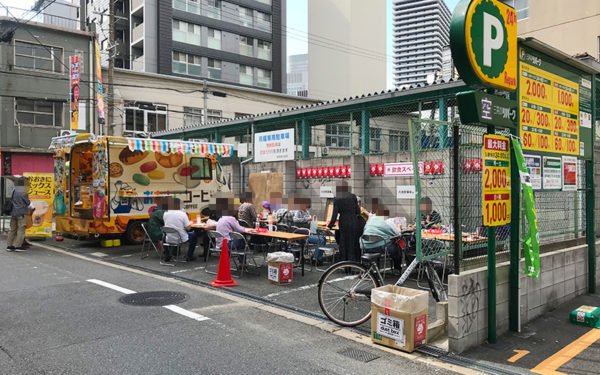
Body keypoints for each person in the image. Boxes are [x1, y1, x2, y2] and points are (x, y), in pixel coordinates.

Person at [360, 202, 403, 273]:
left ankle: (368, 268)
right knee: (396, 248)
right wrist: (399, 227)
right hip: (381, 247)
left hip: (366, 246)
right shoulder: (388, 221)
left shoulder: (370, 220)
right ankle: (397, 268)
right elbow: (398, 233)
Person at [327, 184, 361, 262]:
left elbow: (334, 214)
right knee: (354, 242)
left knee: (344, 242)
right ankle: (356, 263)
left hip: (344, 222)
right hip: (354, 221)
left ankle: (345, 264)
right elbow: (358, 212)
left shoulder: (337, 199)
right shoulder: (353, 197)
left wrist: (330, 226)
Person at [162, 198, 197, 262]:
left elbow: (168, 225)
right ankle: (189, 256)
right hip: (180, 238)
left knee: (164, 237)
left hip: (169, 238)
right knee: (193, 235)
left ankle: (167, 255)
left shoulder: (165, 213)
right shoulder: (182, 214)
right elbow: (188, 228)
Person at [6, 179, 31, 252]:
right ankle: (18, 246)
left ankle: (9, 245)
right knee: (21, 229)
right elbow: (27, 202)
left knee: (12, 229)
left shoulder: (14, 190)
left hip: (13, 212)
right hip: (21, 212)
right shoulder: (24, 191)